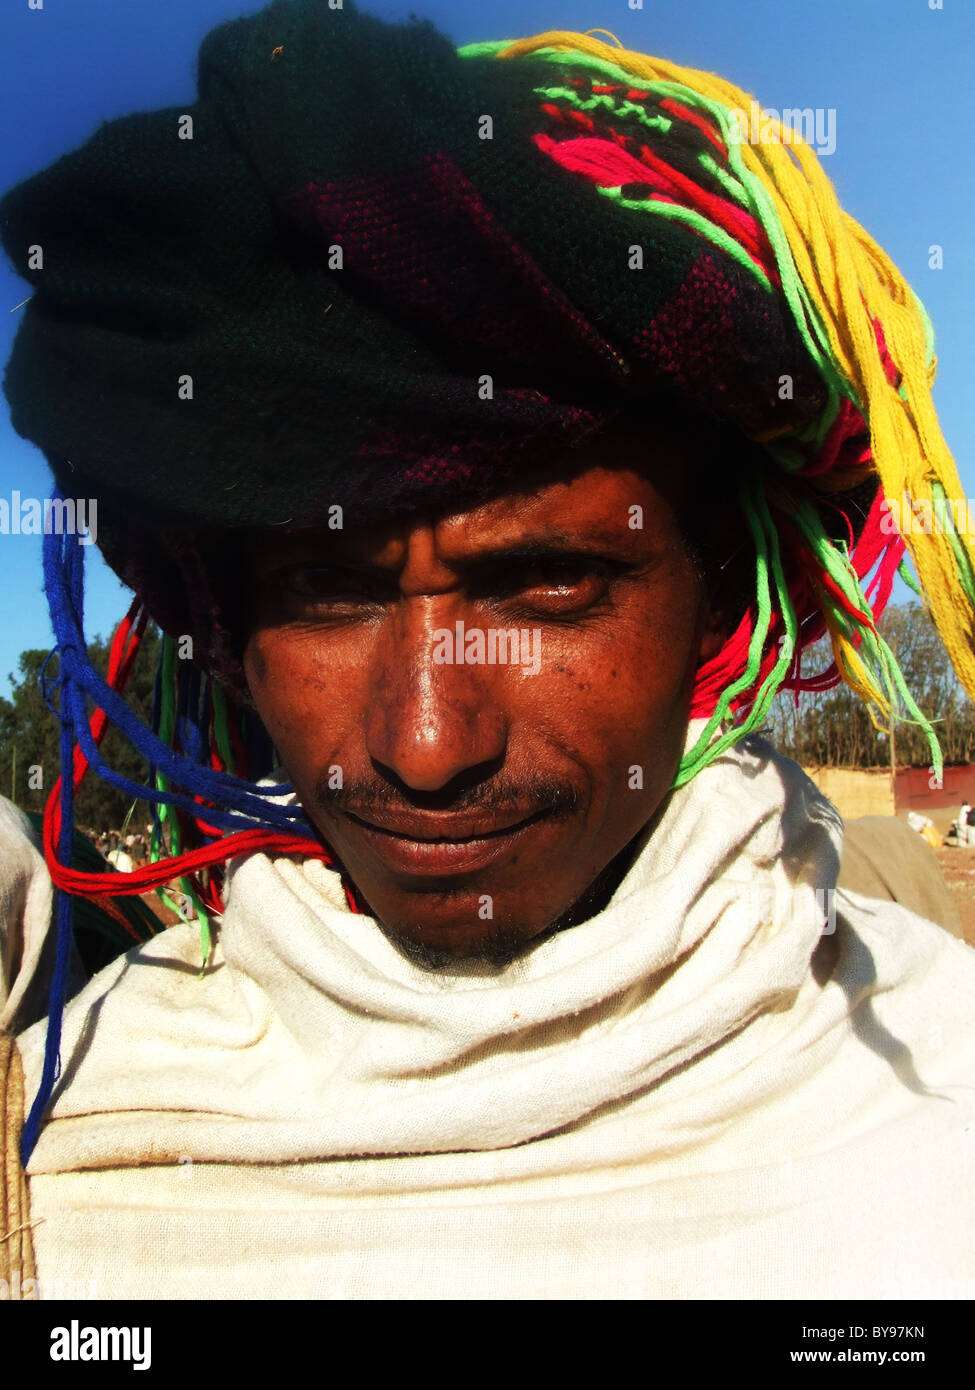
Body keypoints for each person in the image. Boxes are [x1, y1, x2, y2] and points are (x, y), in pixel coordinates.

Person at [1, 0, 974, 1301]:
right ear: (224, 638)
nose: (425, 741)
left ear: (720, 598)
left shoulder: (936, 1089)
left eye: (548, 583)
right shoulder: (63, 1135)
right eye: (327, 593)